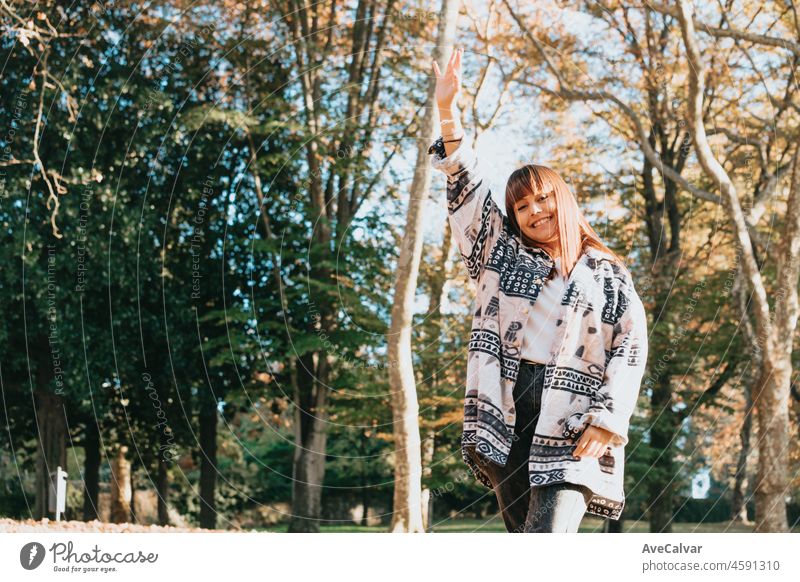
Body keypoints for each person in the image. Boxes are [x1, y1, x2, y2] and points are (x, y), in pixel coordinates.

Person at [428, 47, 649, 533]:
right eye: (522, 205)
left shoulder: (607, 273)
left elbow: (630, 349)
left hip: (572, 410)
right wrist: (447, 111)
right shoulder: (499, 254)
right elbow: (465, 181)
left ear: (563, 199)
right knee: (522, 535)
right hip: (508, 403)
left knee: (545, 537)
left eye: (543, 197)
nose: (534, 210)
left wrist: (608, 418)